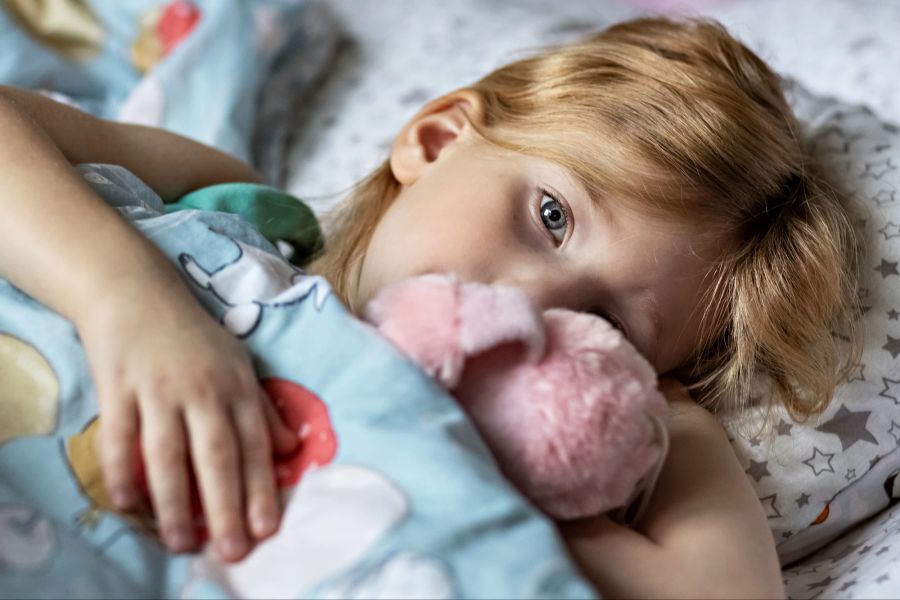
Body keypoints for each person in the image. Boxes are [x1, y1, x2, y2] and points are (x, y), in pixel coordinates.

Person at [0, 16, 860, 598]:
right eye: (551, 217)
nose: (522, 304)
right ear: (439, 139)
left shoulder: (541, 454)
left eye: (604, 322)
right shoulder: (240, 212)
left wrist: (637, 425)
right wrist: (131, 302)